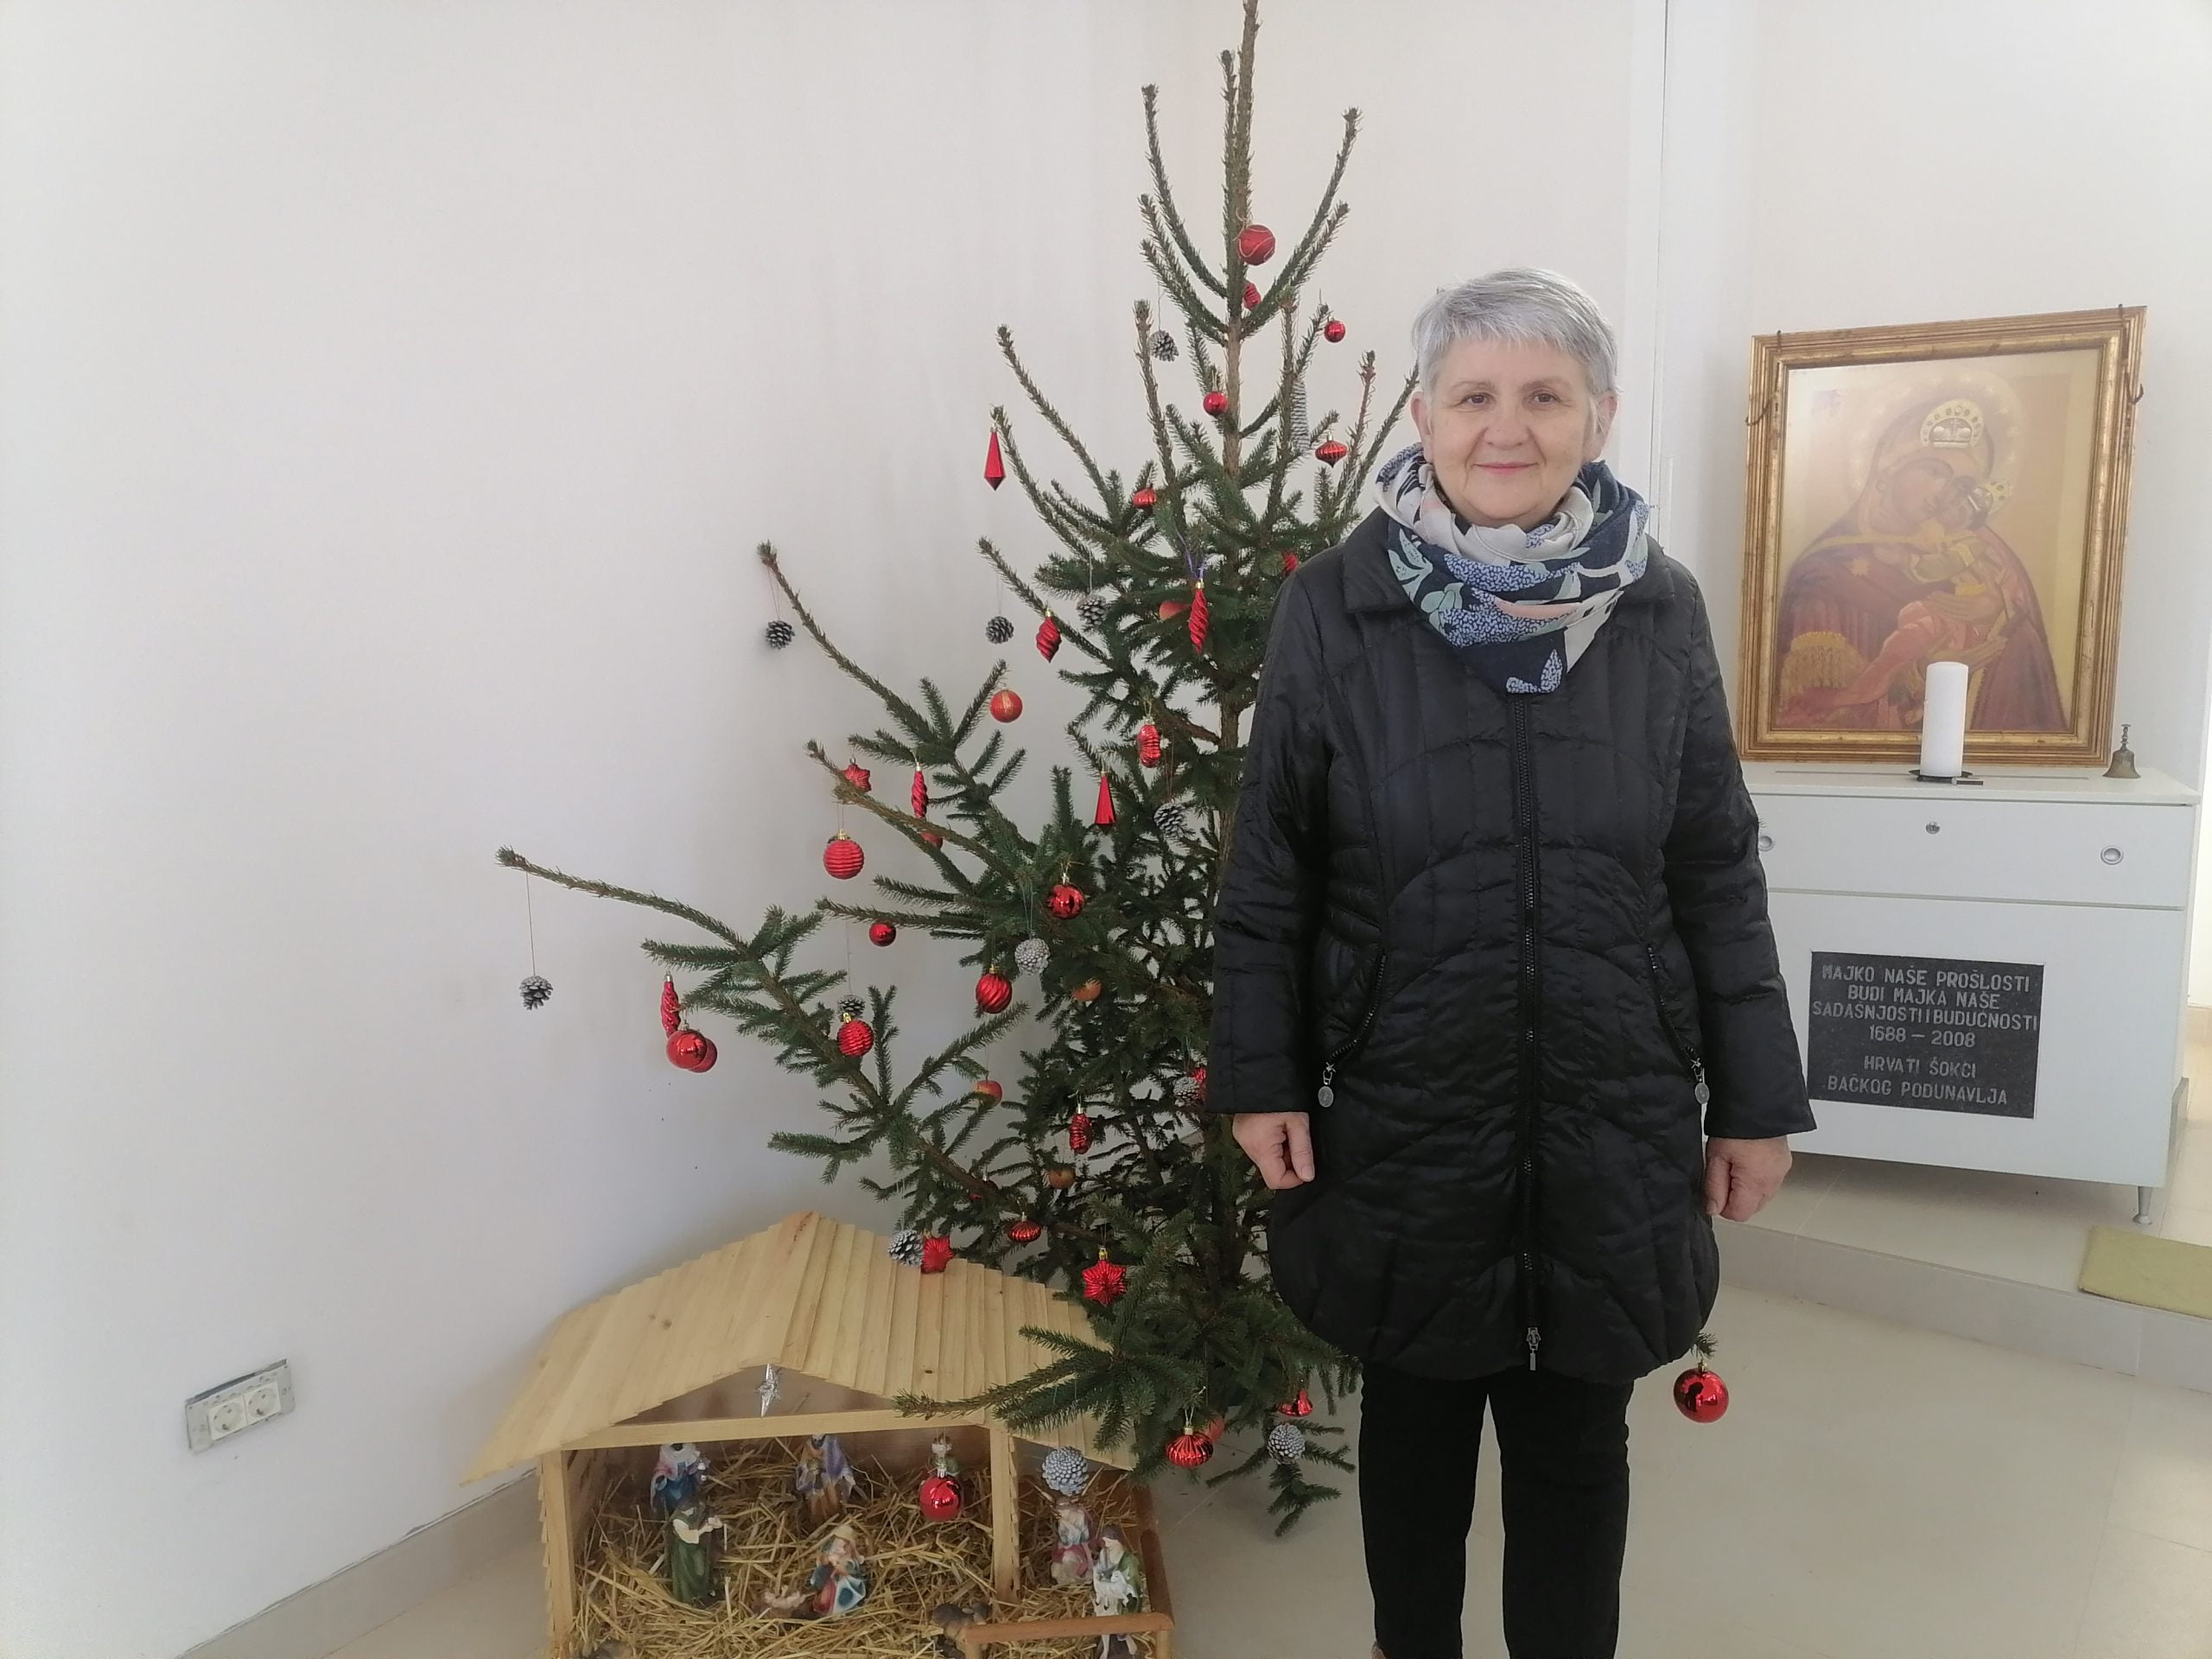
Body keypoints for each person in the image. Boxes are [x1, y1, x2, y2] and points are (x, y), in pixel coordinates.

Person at [1208, 268, 1815, 1659]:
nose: (1506, 427)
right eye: (1474, 395)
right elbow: (1272, 868)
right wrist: (1261, 1076)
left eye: (1544, 395)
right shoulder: (1336, 608)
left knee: (1577, 1451)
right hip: (1405, 1105)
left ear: (1598, 416)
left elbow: (1714, 866)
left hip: (1612, 1105)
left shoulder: (1658, 609)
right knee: (1415, 1441)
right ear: (1423, 416)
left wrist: (1754, 1101)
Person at [1774, 393, 2064, 733]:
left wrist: (1996, 611)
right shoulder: (1826, 572)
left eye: (1959, 487)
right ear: (1889, 465)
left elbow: (2024, 645)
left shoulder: (1977, 546)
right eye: (1934, 471)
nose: (1944, 494)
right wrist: (1921, 673)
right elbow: (1807, 716)